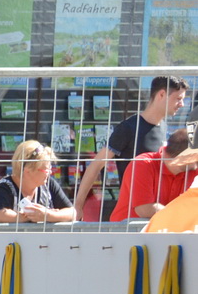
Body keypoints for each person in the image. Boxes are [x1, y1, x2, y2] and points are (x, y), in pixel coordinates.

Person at [74, 75, 190, 220]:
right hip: (131, 216)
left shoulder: (164, 128)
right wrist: (78, 206)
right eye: (178, 99)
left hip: (157, 216)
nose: (182, 104)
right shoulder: (129, 127)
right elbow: (96, 166)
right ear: (162, 94)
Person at [111, 126, 196, 222]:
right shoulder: (143, 164)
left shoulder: (192, 169)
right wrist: (182, 215)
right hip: (130, 231)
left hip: (170, 229)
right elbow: (144, 210)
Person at [0, 140, 73, 224]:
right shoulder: (3, 187)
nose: (50, 172)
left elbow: (72, 212)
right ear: (28, 170)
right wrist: (29, 216)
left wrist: (48, 215)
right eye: (46, 169)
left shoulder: (49, 184)